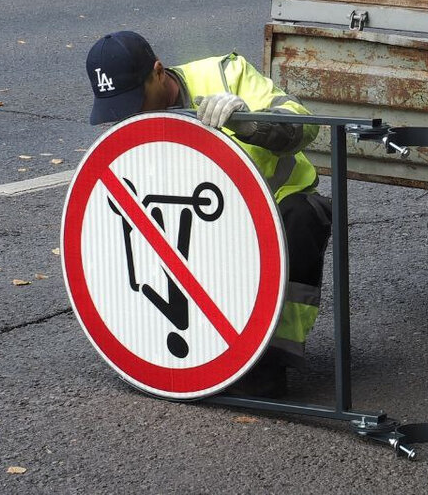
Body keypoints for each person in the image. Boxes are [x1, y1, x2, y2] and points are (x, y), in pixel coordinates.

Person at [86, 31, 332, 397]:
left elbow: (304, 127)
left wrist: (251, 122)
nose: (129, 116)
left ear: (158, 73)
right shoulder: (133, 119)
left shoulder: (225, 73)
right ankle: (179, 353)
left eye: (135, 101)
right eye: (117, 110)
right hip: (196, 227)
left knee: (304, 216)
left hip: (271, 207)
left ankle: (271, 360)